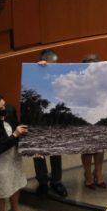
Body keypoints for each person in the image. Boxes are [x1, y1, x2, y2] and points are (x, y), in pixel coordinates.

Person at [30, 49, 67, 198]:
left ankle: (56, 181)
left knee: (55, 152)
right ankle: (43, 182)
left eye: (56, 64)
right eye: (52, 64)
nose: (54, 67)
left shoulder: (60, 78)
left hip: (54, 120)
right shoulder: (32, 75)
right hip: (37, 120)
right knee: (38, 154)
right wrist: (37, 72)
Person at [81, 55, 106, 189]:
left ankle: (98, 173)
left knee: (99, 147)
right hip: (84, 117)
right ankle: (88, 175)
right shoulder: (79, 82)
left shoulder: (103, 82)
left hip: (100, 116)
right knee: (87, 148)